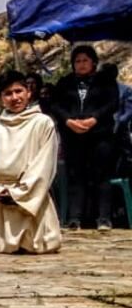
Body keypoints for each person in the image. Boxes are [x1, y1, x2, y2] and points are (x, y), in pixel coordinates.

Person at [0, 71, 62, 254]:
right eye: (8, 93)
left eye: (18, 91)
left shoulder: (42, 123)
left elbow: (44, 166)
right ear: (1, 98)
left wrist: (18, 193)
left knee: (36, 244)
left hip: (29, 199)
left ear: (28, 92)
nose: (15, 97)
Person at [50, 45, 120, 231]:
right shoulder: (64, 83)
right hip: (73, 136)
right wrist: (68, 121)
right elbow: (55, 105)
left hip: (100, 135)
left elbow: (112, 103)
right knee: (76, 176)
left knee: (102, 175)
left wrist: (94, 119)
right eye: (77, 61)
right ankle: (75, 218)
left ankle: (104, 217)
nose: (81, 65)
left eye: (85, 60)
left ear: (93, 62)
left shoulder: (105, 81)